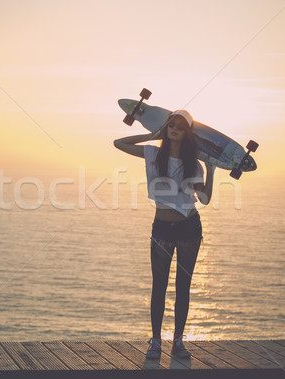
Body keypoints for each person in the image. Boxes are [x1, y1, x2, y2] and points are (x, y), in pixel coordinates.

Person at [113, 110, 215, 359]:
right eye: (171, 124)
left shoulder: (194, 164)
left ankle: (178, 342)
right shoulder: (153, 153)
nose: (175, 128)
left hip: (189, 227)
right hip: (161, 227)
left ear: (187, 132)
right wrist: (151, 133)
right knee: (158, 286)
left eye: (180, 126)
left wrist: (212, 170)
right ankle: (156, 342)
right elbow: (119, 143)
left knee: (183, 287)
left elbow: (205, 199)